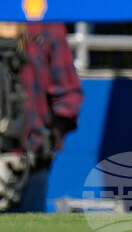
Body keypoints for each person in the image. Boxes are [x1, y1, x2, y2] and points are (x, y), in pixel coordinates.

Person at [9, 22, 83, 213]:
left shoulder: (45, 23)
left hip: (30, 159)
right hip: (30, 154)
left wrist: (56, 128)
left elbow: (68, 92)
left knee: (28, 221)